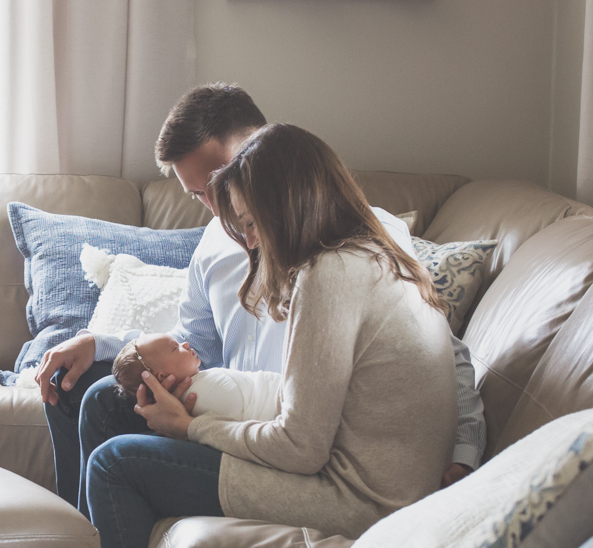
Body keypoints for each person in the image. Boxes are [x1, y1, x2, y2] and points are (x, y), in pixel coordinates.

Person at [84, 124, 459, 548]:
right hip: (359, 475)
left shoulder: (331, 274)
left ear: (291, 206)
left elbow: (300, 447)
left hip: (356, 500)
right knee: (106, 402)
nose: (252, 240)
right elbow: (304, 403)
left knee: (114, 465)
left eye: (253, 223)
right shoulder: (369, 255)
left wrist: (191, 428)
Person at [37, 84, 484, 516]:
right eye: (197, 194)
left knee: (117, 457)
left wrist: (464, 450)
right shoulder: (214, 244)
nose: (217, 206)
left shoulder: (353, 243)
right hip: (233, 414)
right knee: (91, 393)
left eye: (218, 181)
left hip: (296, 434)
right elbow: (194, 342)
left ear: (261, 151)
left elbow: (442, 348)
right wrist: (102, 343)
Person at [111, 333, 280, 423]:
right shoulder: (203, 395)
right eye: (175, 348)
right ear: (162, 376)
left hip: (284, 397)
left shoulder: (202, 385)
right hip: (272, 412)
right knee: (101, 393)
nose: (185, 343)